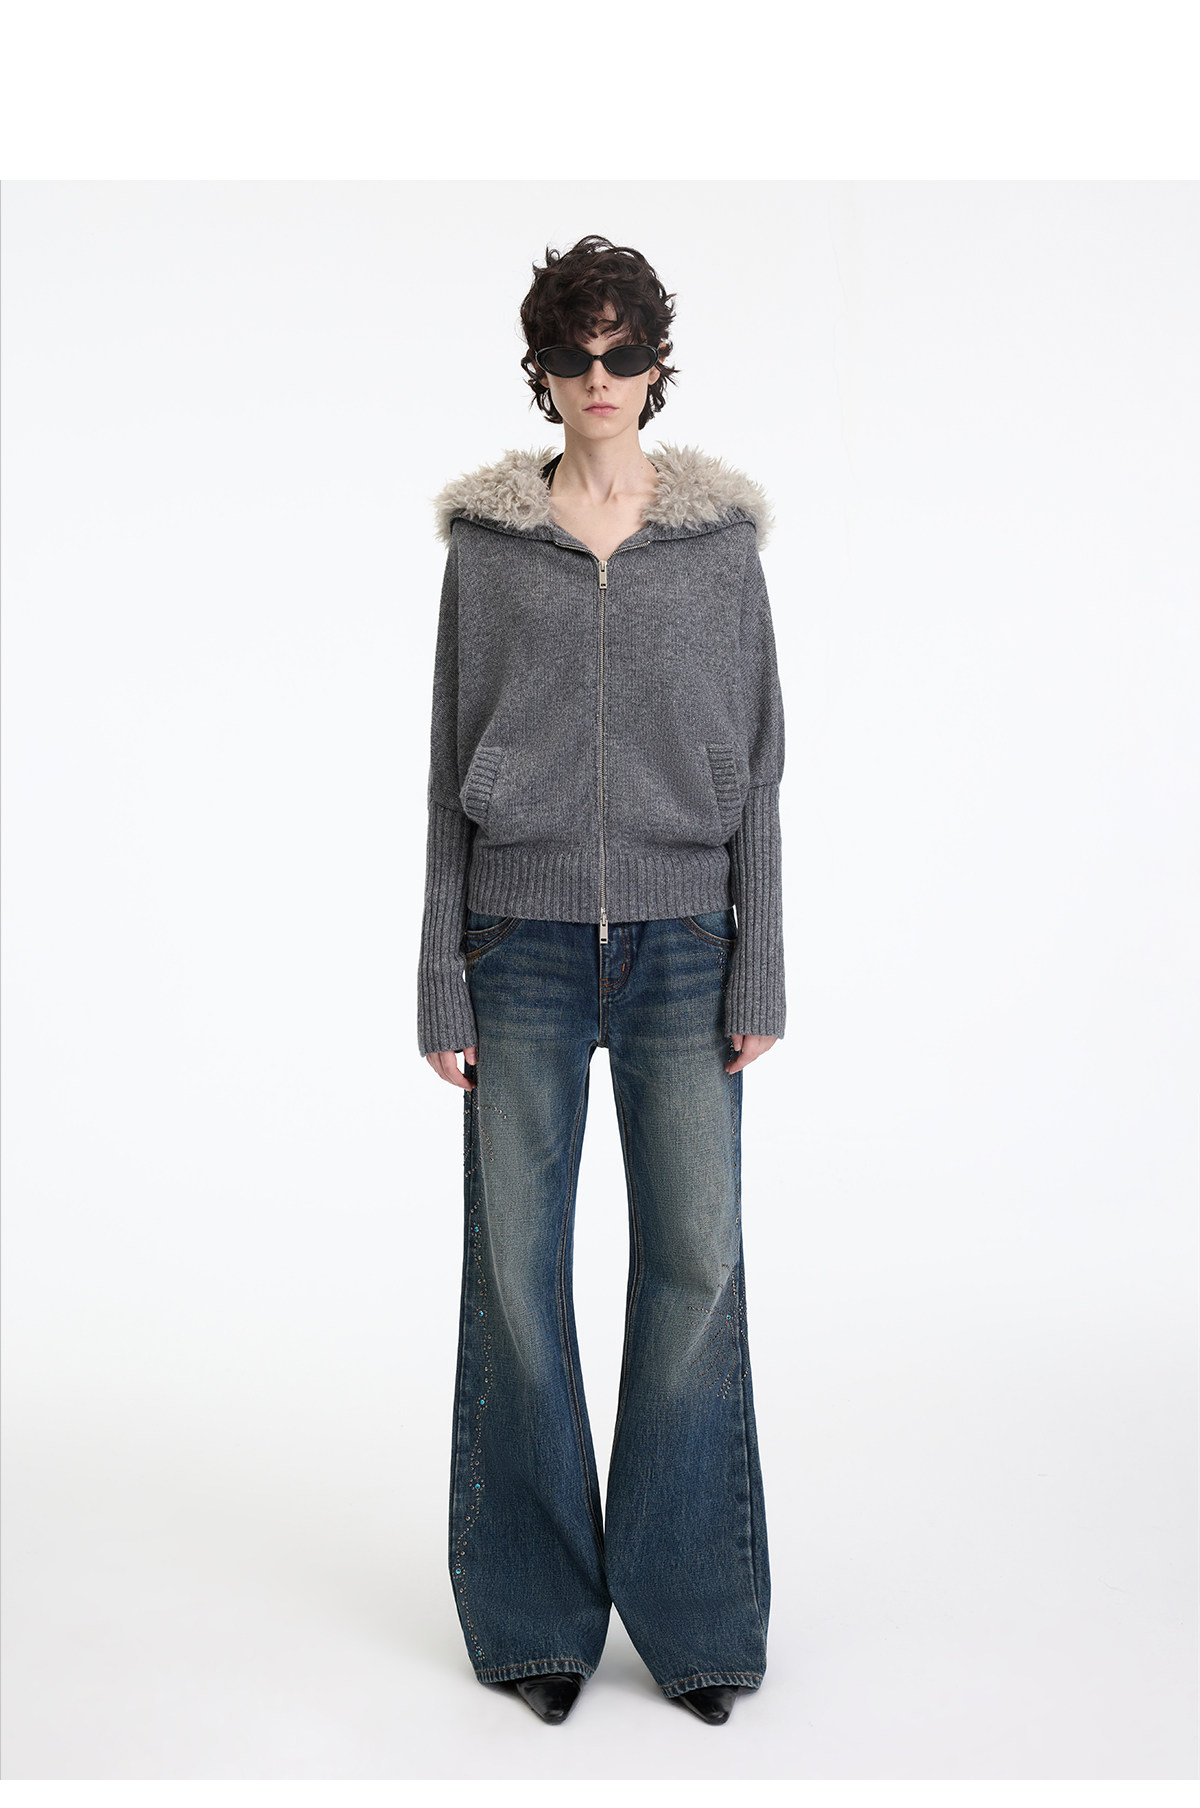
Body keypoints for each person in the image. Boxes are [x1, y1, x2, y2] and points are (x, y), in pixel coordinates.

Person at [416, 235, 786, 1726]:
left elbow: (763, 766)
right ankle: (533, 1619)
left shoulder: (719, 548)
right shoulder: (489, 550)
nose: (599, 379)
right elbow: (444, 769)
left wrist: (763, 961)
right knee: (517, 1275)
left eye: (623, 354)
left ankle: (696, 1619)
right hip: (519, 946)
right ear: (543, 370)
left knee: (697, 1262)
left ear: (656, 366)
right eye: (575, 357)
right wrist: (439, 975)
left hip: (688, 945)